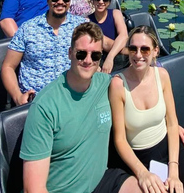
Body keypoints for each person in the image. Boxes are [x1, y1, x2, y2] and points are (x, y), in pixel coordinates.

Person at [20, 22, 142, 193]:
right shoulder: (45, 106)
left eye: (95, 55)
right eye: (81, 54)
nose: (87, 60)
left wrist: (166, 122)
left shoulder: (106, 84)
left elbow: (139, 96)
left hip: (102, 181)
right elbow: (33, 189)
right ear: (70, 53)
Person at [109, 26, 184, 193]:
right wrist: (142, 173)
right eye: (133, 48)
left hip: (168, 146)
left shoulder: (162, 76)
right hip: (139, 157)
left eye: (145, 49)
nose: (138, 55)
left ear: (155, 51)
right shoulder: (118, 85)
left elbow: (171, 123)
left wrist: (174, 171)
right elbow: (119, 140)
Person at [1, 0, 87, 106]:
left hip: (73, 97)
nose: (60, 2)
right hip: (37, 101)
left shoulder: (81, 27)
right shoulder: (28, 29)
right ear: (47, 0)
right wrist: (18, 96)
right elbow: (8, 67)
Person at [88, 0, 128, 73]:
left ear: (109, 2)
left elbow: (123, 35)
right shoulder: (87, 20)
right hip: (99, 58)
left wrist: (110, 58)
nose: (101, 2)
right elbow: (103, 42)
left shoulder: (115, 13)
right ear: (92, 1)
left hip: (115, 55)